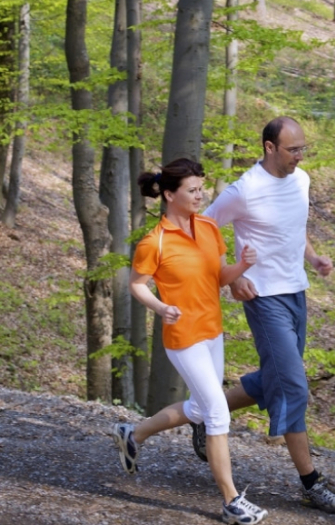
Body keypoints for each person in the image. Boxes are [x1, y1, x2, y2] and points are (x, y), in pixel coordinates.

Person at [199, 116, 335, 514]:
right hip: (263, 296)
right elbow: (206, 229)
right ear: (270, 147)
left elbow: (294, 225)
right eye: (293, 150)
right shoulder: (245, 190)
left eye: (303, 148)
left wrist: (313, 256)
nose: (300, 157)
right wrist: (228, 278)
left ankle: (205, 412)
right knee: (292, 385)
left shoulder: (300, 181)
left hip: (295, 290)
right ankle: (311, 483)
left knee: (274, 380)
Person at [110, 158, 268, 525]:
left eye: (201, 189)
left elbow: (218, 277)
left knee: (199, 409)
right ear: (168, 195)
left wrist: (242, 266)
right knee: (216, 413)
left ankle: (132, 433)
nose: (201, 196)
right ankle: (231, 501)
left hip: (213, 330)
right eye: (192, 190)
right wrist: (160, 307)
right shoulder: (155, 242)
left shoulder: (211, 228)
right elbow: (136, 284)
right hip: (182, 338)